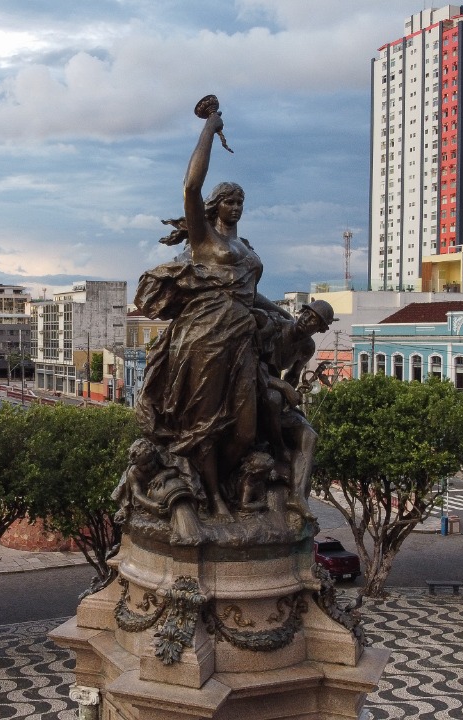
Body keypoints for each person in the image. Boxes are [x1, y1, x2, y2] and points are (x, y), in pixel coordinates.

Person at [135, 110, 291, 519]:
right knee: (204, 422)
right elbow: (191, 186)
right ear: (216, 205)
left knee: (244, 428)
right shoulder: (205, 239)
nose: (236, 207)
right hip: (205, 335)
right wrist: (209, 128)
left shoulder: (247, 250)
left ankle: (228, 485)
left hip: (243, 339)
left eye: (241, 202)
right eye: (229, 201)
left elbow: (252, 295)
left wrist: (286, 316)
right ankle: (213, 499)